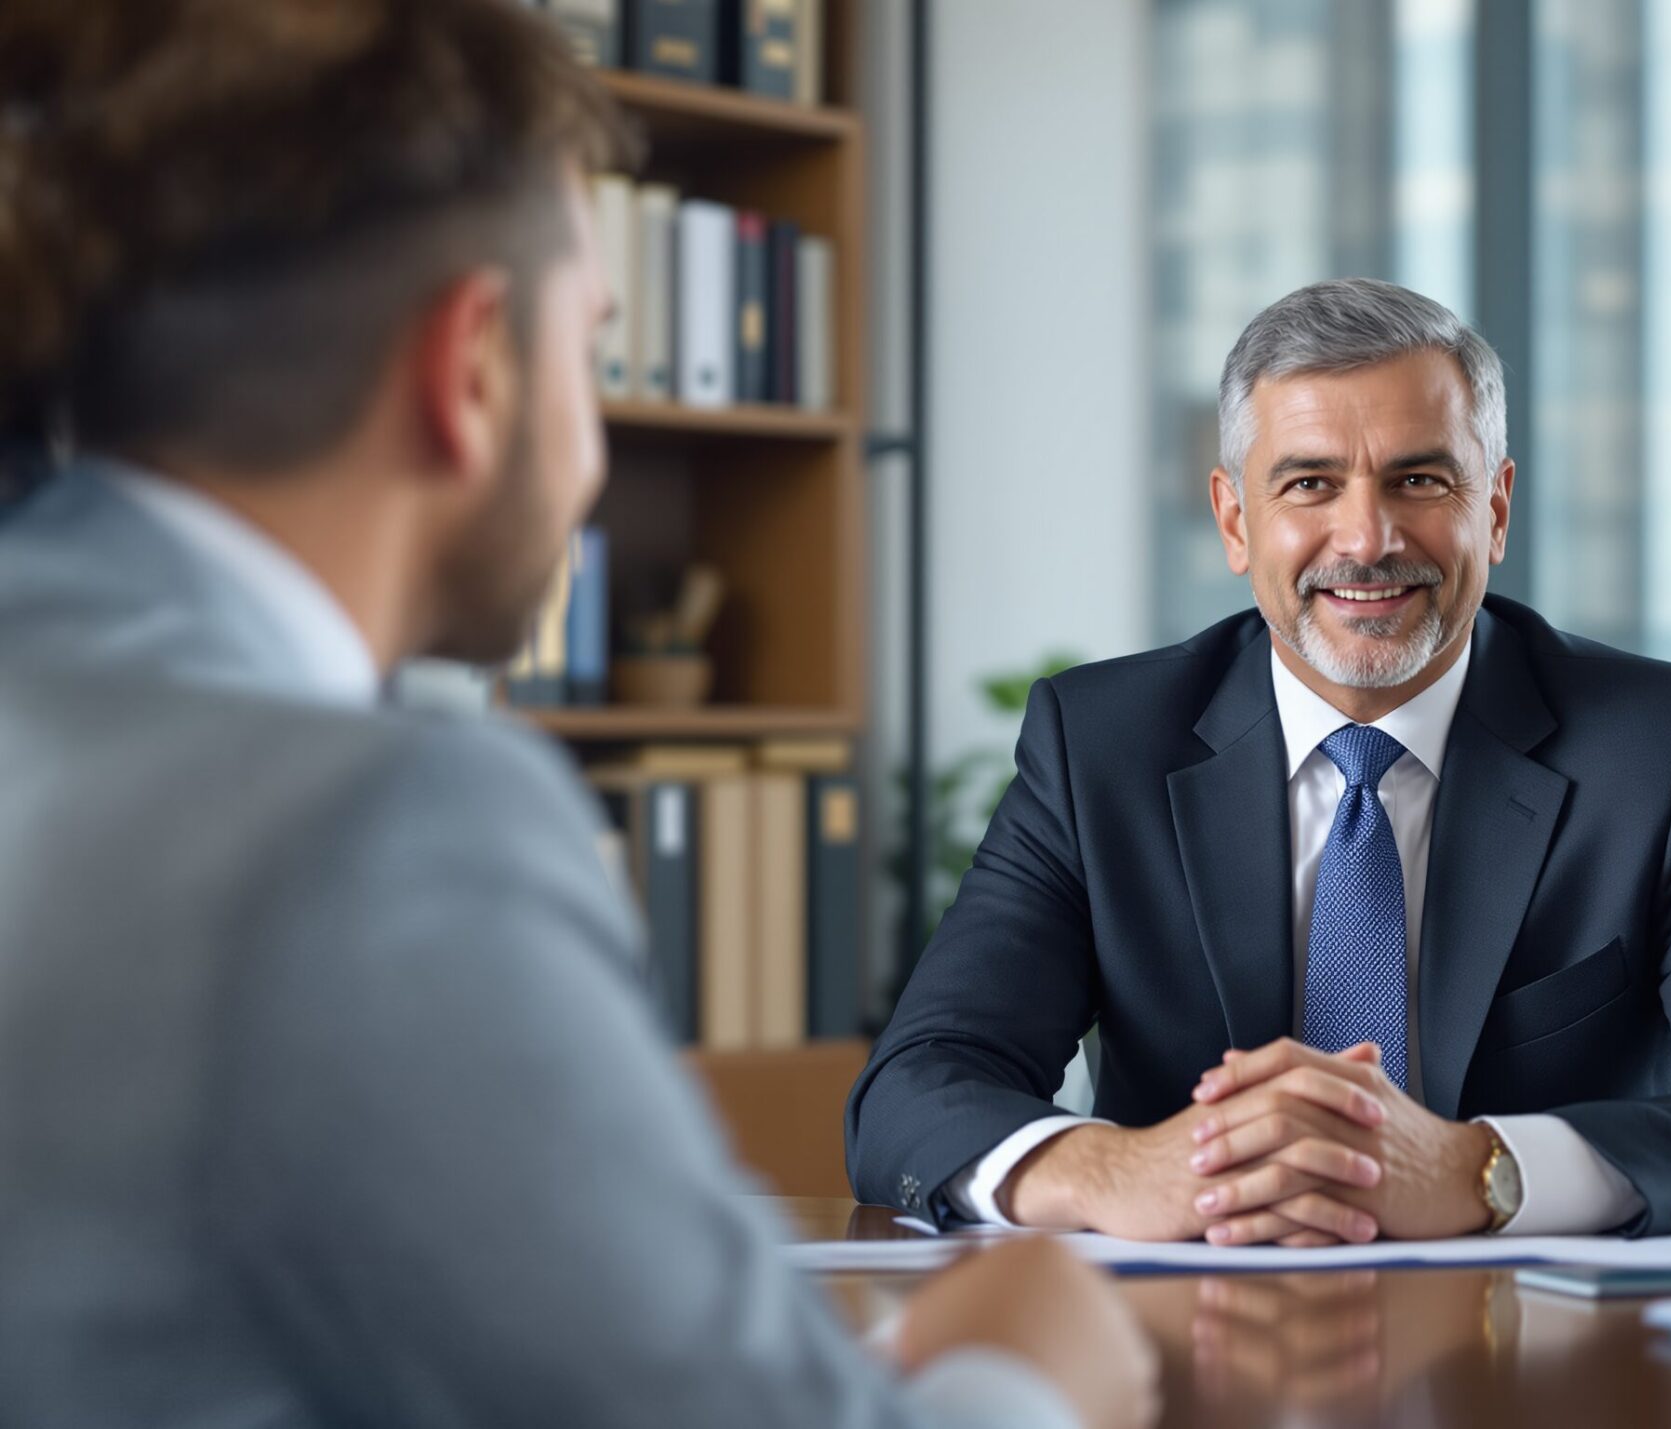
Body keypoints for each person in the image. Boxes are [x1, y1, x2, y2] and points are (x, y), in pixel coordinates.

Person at [0, 3, 1152, 1426]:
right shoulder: (375, 829)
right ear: (472, 368)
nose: (595, 446)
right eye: (594, 349)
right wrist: (1034, 1359)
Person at [847, 278, 1671, 1245]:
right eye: (1309, 483)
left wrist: (1482, 1170)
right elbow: (916, 1085)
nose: (1365, 538)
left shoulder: (1664, 750)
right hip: (1190, 1362)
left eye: (1417, 479)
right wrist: (1110, 1168)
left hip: (1545, 1367)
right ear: (1234, 519)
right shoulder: (1102, 747)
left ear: (1492, 509)